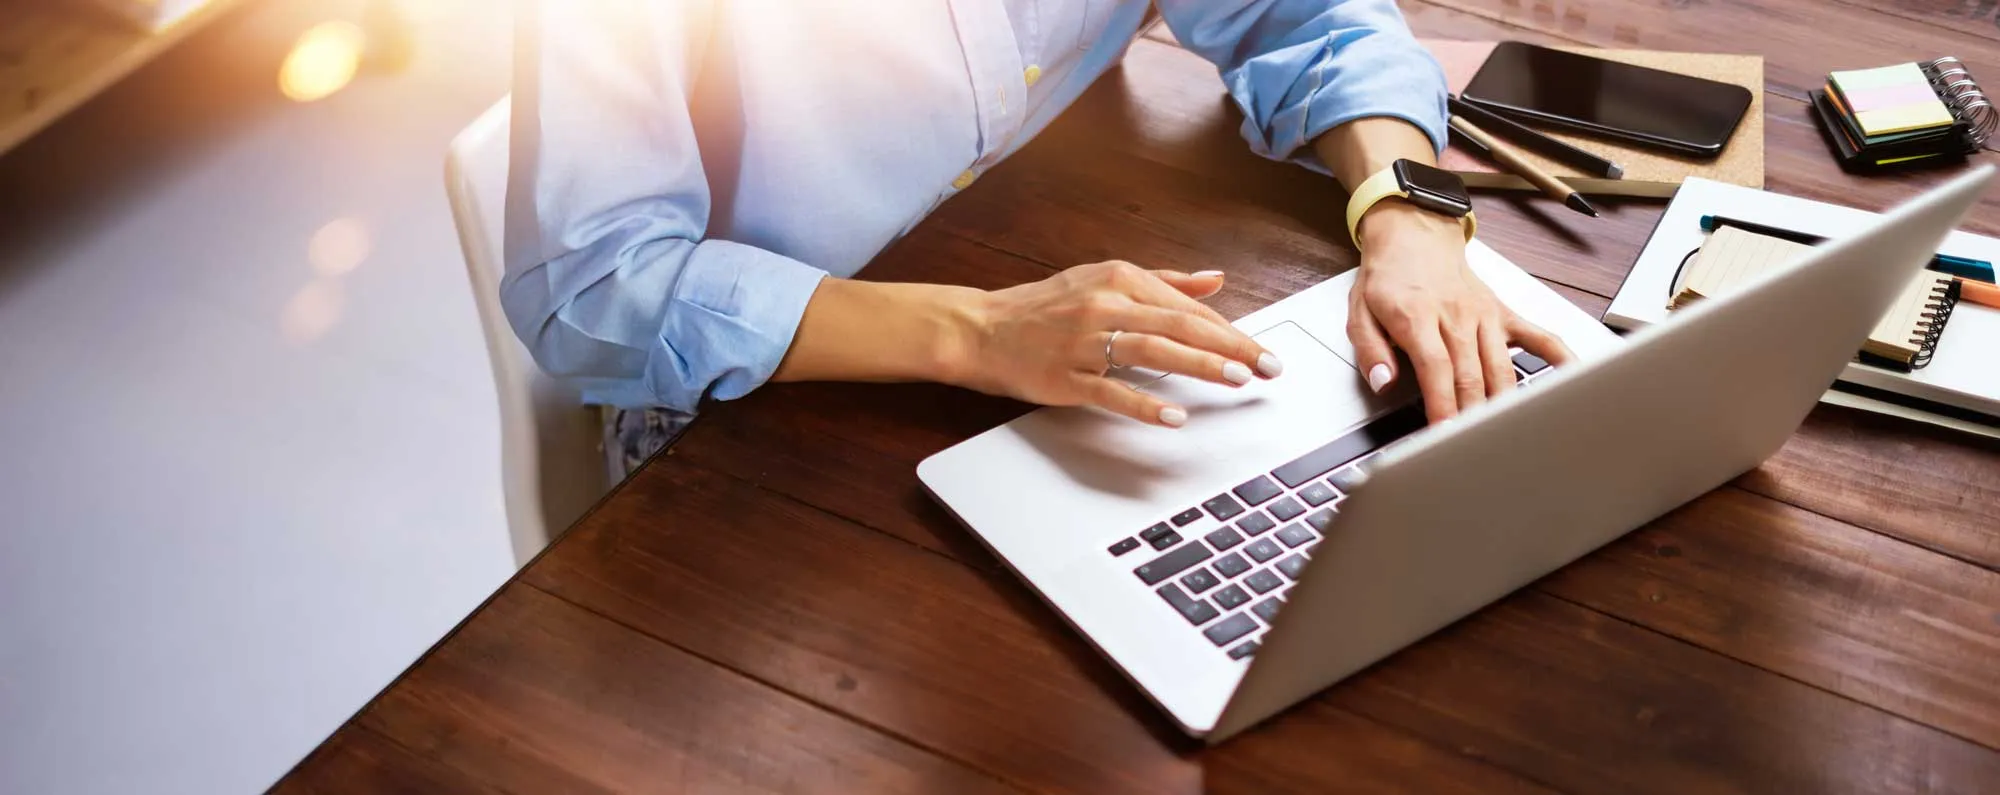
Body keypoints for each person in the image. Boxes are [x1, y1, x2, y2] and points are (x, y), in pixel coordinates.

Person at [506, 0, 1573, 476]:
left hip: (1044, 275)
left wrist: (1412, 222)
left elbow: (1301, 16)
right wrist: (974, 332)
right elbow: (594, 285)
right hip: (753, 409)